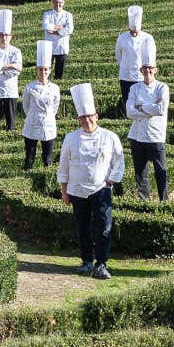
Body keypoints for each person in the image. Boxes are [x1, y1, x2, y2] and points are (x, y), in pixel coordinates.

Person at [58, 83, 124, 279]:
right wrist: (64, 191)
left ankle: (101, 264)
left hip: (100, 189)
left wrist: (111, 181)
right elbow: (63, 166)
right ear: (78, 119)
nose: (87, 120)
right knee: (82, 227)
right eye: (83, 117)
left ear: (96, 116)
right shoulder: (71, 138)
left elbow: (119, 161)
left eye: (90, 116)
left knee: (103, 227)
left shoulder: (110, 137)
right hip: (77, 190)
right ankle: (86, 261)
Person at [126, 58, 169, 201]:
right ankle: (144, 200)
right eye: (145, 68)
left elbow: (161, 110)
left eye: (151, 68)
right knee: (140, 172)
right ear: (141, 70)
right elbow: (129, 112)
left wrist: (140, 106)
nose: (148, 71)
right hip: (136, 135)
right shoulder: (134, 88)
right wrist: (151, 108)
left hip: (155, 135)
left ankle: (164, 200)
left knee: (160, 171)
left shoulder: (162, 87)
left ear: (156, 70)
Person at [21, 40, 60, 169]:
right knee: (29, 156)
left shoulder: (55, 88)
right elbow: (26, 105)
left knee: (47, 157)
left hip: (49, 124)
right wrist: (33, 115)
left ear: (50, 70)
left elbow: (55, 106)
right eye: (40, 69)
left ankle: (45, 175)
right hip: (32, 123)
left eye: (46, 69)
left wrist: (48, 115)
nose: (43, 72)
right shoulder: (29, 87)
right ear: (36, 70)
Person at [0, 9, 22, 130]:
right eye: (1, 35)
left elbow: (16, 71)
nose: (4, 37)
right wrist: (11, 65)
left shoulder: (16, 51)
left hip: (10, 89)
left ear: (11, 36)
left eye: (6, 35)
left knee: (11, 124)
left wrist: (1, 68)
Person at [115, 5, 156, 111]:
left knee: (141, 103)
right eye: (132, 31)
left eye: (135, 32)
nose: (133, 34)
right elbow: (118, 55)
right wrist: (125, 66)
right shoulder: (122, 38)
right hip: (126, 76)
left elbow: (151, 58)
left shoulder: (147, 38)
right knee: (127, 102)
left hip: (140, 77)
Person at [42, 0, 74, 79]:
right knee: (46, 69)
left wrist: (56, 31)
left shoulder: (68, 15)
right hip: (49, 45)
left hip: (62, 46)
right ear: (53, 2)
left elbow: (70, 29)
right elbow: (45, 26)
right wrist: (60, 28)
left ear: (63, 3)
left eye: (60, 2)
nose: (58, 4)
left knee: (59, 71)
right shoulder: (47, 14)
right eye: (56, 2)